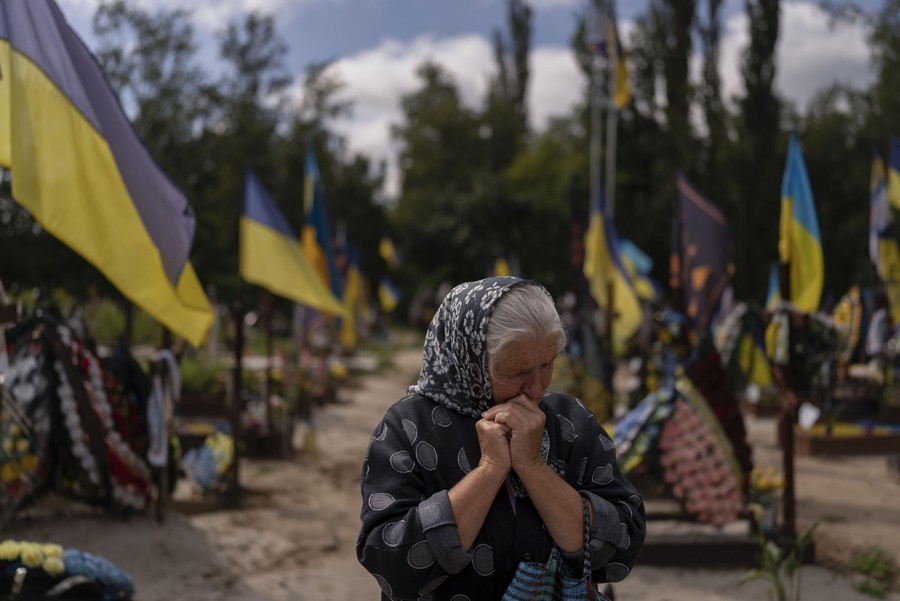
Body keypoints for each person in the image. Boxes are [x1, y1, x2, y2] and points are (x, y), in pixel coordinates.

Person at [357, 276, 646, 600]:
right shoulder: (409, 427)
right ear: (470, 363)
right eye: (516, 373)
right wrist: (491, 468)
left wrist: (533, 467)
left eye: (547, 365)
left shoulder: (571, 422)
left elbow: (624, 545)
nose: (536, 389)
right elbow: (390, 563)